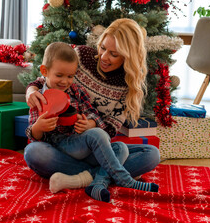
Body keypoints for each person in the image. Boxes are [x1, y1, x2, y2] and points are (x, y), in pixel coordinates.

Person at [24, 18, 161, 198]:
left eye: (114, 54)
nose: (104, 57)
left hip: (90, 145)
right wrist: (31, 91)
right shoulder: (81, 56)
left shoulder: (126, 86)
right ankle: (109, 176)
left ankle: (81, 179)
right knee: (34, 153)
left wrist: (91, 124)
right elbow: (49, 78)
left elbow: (108, 129)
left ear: (128, 56)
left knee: (149, 153)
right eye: (103, 48)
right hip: (59, 147)